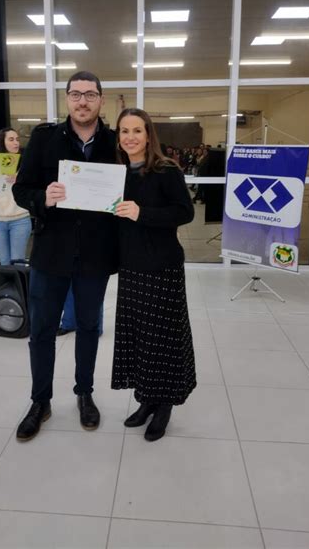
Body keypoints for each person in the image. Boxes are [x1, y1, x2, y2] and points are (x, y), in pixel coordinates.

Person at [13, 70, 117, 441]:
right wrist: (43, 197)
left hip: (95, 255)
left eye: (90, 94)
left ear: (101, 100)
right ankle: (40, 401)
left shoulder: (116, 143)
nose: (83, 101)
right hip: (50, 253)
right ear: (67, 99)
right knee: (41, 330)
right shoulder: (44, 139)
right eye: (76, 94)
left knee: (89, 326)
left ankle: (84, 393)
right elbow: (21, 190)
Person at [112, 108, 196, 442]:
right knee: (140, 339)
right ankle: (147, 398)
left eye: (136, 130)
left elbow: (185, 212)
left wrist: (141, 213)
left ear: (148, 135)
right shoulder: (116, 173)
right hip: (130, 267)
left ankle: (164, 406)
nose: (130, 137)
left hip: (162, 267)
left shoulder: (165, 169)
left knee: (163, 340)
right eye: (123, 131)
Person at [0, 128, 32, 265]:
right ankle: (7, 287)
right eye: (11, 139)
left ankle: (20, 287)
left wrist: (20, 177)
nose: (16, 143)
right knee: (4, 262)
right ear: (2, 142)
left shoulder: (26, 163)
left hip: (20, 218)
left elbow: (35, 185)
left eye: (17, 139)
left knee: (18, 261)